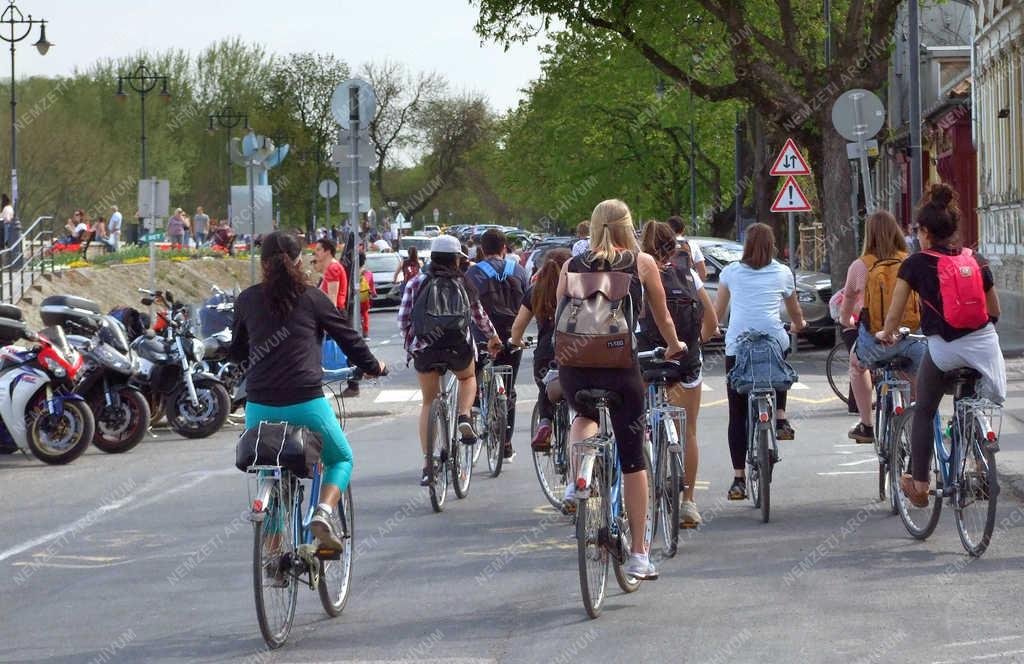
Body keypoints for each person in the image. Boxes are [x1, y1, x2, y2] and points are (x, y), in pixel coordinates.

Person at [230, 232, 386, 552]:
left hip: (259, 407)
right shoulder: (312, 297)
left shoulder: (246, 299)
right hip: (306, 404)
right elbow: (348, 338)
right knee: (341, 458)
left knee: (268, 468)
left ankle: (273, 553)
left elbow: (236, 352)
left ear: (262, 264)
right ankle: (324, 513)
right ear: (299, 261)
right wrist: (373, 366)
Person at [556, 199, 686, 581]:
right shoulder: (641, 263)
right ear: (628, 226)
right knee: (633, 460)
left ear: (594, 227)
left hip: (576, 367)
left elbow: (559, 314)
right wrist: (675, 344)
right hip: (620, 366)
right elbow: (662, 317)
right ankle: (640, 555)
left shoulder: (571, 264)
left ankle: (576, 480)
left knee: (583, 415)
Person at [876, 184, 1007, 507]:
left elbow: (894, 316)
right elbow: (995, 312)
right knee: (971, 403)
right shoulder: (976, 259)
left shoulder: (915, 264)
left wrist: (887, 334)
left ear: (924, 232)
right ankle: (979, 463)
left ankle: (920, 485)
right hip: (985, 349)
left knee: (925, 409)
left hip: (945, 350)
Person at [398, 234, 503, 486]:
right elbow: (480, 317)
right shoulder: (463, 283)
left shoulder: (417, 282)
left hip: (426, 348)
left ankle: (428, 463)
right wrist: (493, 338)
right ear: (457, 259)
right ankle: (464, 416)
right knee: (468, 378)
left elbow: (403, 319)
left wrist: (411, 346)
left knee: (428, 402)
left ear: (432, 257)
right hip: (457, 347)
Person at [714, 222, 806, 501]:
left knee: (737, 413)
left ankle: (739, 479)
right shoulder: (782, 272)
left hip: (738, 347)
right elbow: (795, 312)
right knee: (779, 354)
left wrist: (713, 329)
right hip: (772, 342)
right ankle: (779, 417)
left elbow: (719, 312)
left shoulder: (730, 272)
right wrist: (799, 324)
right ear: (772, 246)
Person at [636, 221, 719, 527]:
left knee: (636, 423)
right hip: (685, 360)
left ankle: (638, 487)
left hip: (649, 359)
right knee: (689, 431)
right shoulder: (689, 273)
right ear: (674, 246)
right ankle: (688, 502)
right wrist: (698, 340)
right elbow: (710, 320)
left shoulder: (638, 271)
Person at [839, 210, 926, 443]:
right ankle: (917, 419)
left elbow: (847, 300)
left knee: (857, 366)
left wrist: (845, 320)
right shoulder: (910, 261)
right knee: (916, 373)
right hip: (911, 339)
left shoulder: (860, 266)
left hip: (876, 342)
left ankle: (866, 424)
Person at [466, 228, 529, 461]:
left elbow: (469, 307)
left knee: (472, 377)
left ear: (482, 250)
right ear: (505, 248)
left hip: (484, 338)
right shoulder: (519, 271)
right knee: (509, 389)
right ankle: (507, 444)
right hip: (513, 335)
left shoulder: (473, 274)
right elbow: (528, 302)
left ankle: (474, 410)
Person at [509, 247, 570, 451]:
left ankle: (545, 423)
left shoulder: (536, 291)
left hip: (545, 353)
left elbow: (517, 327)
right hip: (575, 351)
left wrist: (516, 342)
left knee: (546, 387)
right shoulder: (576, 287)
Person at [666, 215, 708, 281]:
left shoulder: (661, 246)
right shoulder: (692, 245)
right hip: (688, 284)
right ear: (683, 230)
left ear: (666, 229)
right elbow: (703, 273)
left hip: (668, 285)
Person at [357, 254, 376, 339]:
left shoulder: (352, 272)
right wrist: (373, 294)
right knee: (365, 314)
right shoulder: (368, 273)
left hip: (353, 297)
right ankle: (365, 333)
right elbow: (371, 286)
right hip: (364, 297)